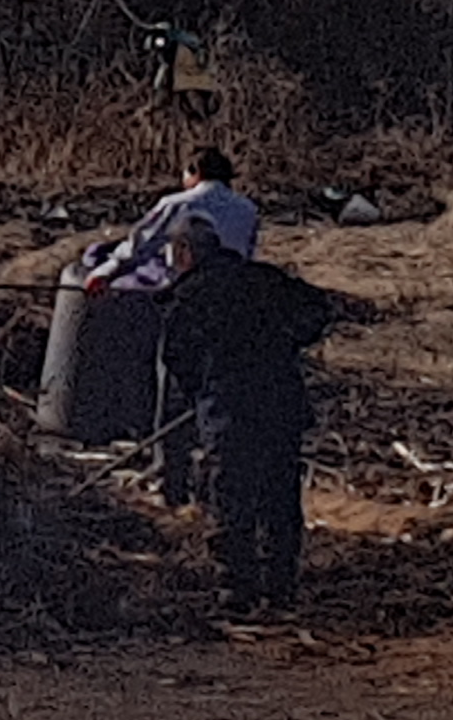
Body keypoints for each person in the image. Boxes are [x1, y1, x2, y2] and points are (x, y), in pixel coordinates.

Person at [156, 216, 341, 609]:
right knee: (279, 493)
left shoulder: (190, 296)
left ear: (185, 252)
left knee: (231, 497)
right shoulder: (263, 278)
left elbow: (177, 359)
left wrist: (202, 391)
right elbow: (318, 307)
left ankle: (237, 585)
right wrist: (289, 340)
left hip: (229, 409)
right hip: (280, 403)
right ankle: (280, 582)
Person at [78, 146, 261, 291]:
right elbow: (248, 254)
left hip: (182, 288)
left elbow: (139, 246)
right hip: (228, 286)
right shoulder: (248, 209)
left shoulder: (178, 203)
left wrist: (105, 271)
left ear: (194, 171)